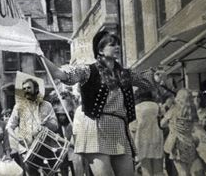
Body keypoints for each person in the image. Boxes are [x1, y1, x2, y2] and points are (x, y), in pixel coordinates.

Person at [40, 30, 154, 176]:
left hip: (119, 128)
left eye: (118, 44)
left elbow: (148, 82)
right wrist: (40, 55)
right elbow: (59, 74)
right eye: (112, 45)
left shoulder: (125, 74)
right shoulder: (88, 71)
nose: (117, 47)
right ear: (100, 50)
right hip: (96, 127)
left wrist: (157, 76)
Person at [7, 79, 59, 176]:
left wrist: (47, 124)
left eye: (29, 88)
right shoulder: (18, 107)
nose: (26, 90)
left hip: (46, 147)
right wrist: (17, 138)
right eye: (24, 88)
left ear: (36, 89)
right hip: (27, 149)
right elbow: (9, 127)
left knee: (50, 174)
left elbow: (55, 125)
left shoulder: (47, 105)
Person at [161, 89, 203, 176]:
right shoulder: (193, 110)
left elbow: (162, 124)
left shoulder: (174, 109)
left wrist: (170, 123)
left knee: (182, 172)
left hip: (177, 144)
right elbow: (197, 125)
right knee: (188, 172)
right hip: (190, 143)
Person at [129, 90, 164, 176]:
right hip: (157, 138)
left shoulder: (136, 108)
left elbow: (133, 127)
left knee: (146, 169)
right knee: (158, 170)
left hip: (142, 139)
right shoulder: (158, 106)